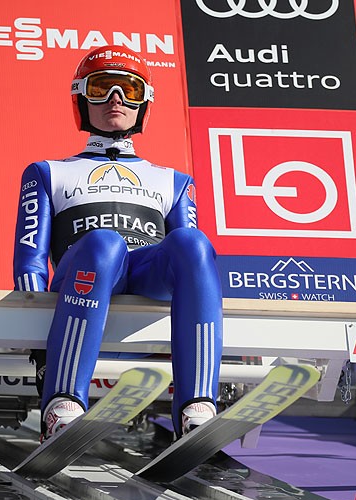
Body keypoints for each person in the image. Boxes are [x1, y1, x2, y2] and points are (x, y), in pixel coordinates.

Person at [13, 45, 223, 440]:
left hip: (145, 278)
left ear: (144, 103)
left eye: (129, 89)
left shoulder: (175, 181)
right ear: (81, 97)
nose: (116, 99)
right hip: (84, 281)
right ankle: (63, 403)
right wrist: (33, 333)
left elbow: (191, 262)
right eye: (102, 87)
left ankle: (197, 406)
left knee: (192, 242)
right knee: (105, 244)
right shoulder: (47, 172)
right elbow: (31, 259)